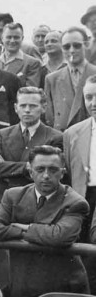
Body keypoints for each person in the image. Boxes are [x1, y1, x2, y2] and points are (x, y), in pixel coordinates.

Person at [0, 146, 89, 297]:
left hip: (63, 288)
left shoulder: (75, 202)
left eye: (53, 170)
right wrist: (21, 232)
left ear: (62, 173)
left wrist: (25, 227)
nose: (46, 176)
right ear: (30, 172)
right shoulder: (14, 195)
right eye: (40, 169)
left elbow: (59, 236)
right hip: (23, 285)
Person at [0, 87, 63, 198]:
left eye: (33, 106)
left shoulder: (55, 137)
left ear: (43, 108)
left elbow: (49, 173)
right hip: (4, 198)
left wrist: (5, 167)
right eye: (23, 106)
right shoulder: (2, 134)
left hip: (39, 198)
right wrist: (27, 166)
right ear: (16, 108)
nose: (27, 110)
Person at [45, 27, 96, 131]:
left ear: (86, 45)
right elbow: (49, 117)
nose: (71, 50)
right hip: (63, 139)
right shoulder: (52, 79)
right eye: (66, 47)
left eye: (77, 46)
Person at [63, 75, 96, 214]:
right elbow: (69, 173)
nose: (94, 103)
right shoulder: (72, 133)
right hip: (84, 199)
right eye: (89, 97)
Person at [0, 22, 42, 87]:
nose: (12, 41)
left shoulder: (32, 63)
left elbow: (30, 92)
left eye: (16, 37)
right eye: (9, 37)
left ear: (22, 38)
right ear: (2, 38)